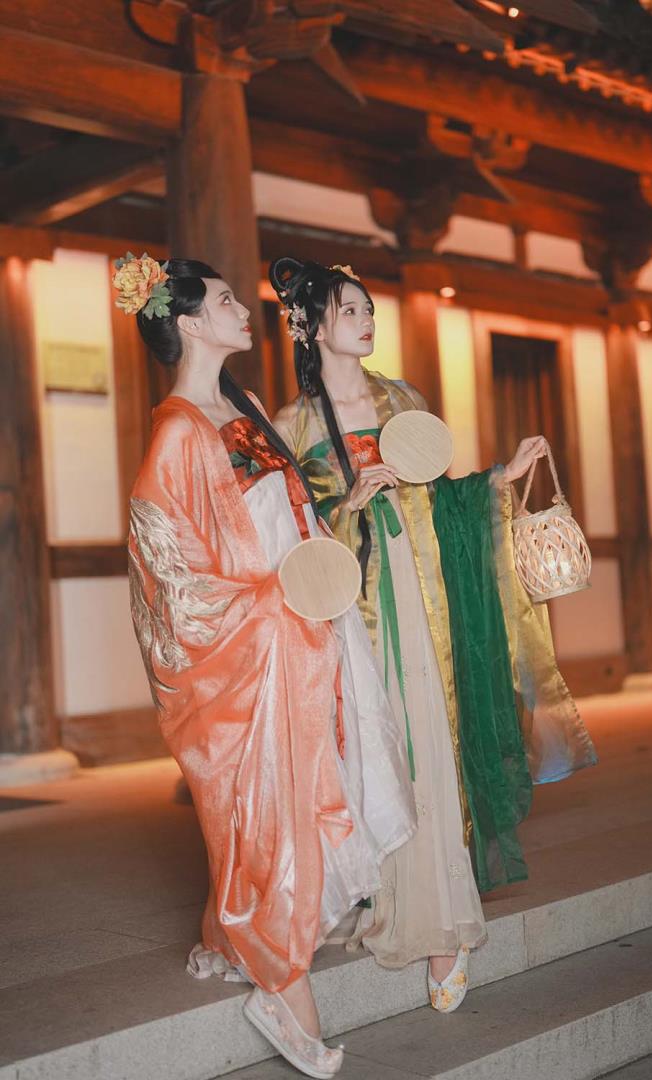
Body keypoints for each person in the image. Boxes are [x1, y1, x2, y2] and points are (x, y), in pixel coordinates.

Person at [115, 254, 416, 1079]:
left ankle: (247, 933)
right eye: (224, 301)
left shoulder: (241, 404)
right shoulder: (178, 431)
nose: (243, 309)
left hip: (301, 620)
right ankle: (284, 988)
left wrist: (334, 527)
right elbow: (171, 576)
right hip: (253, 641)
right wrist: (270, 603)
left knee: (306, 785)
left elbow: (286, 512)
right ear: (188, 322)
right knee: (266, 801)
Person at [271, 258, 597, 1014]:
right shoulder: (291, 426)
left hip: (421, 596)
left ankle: (443, 916)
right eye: (350, 309)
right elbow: (288, 533)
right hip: (355, 605)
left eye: (368, 309)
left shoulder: (402, 399)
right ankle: (379, 892)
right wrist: (348, 505)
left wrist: (498, 479)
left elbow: (439, 498)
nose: (367, 320)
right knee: (370, 747)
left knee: (427, 735)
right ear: (312, 326)